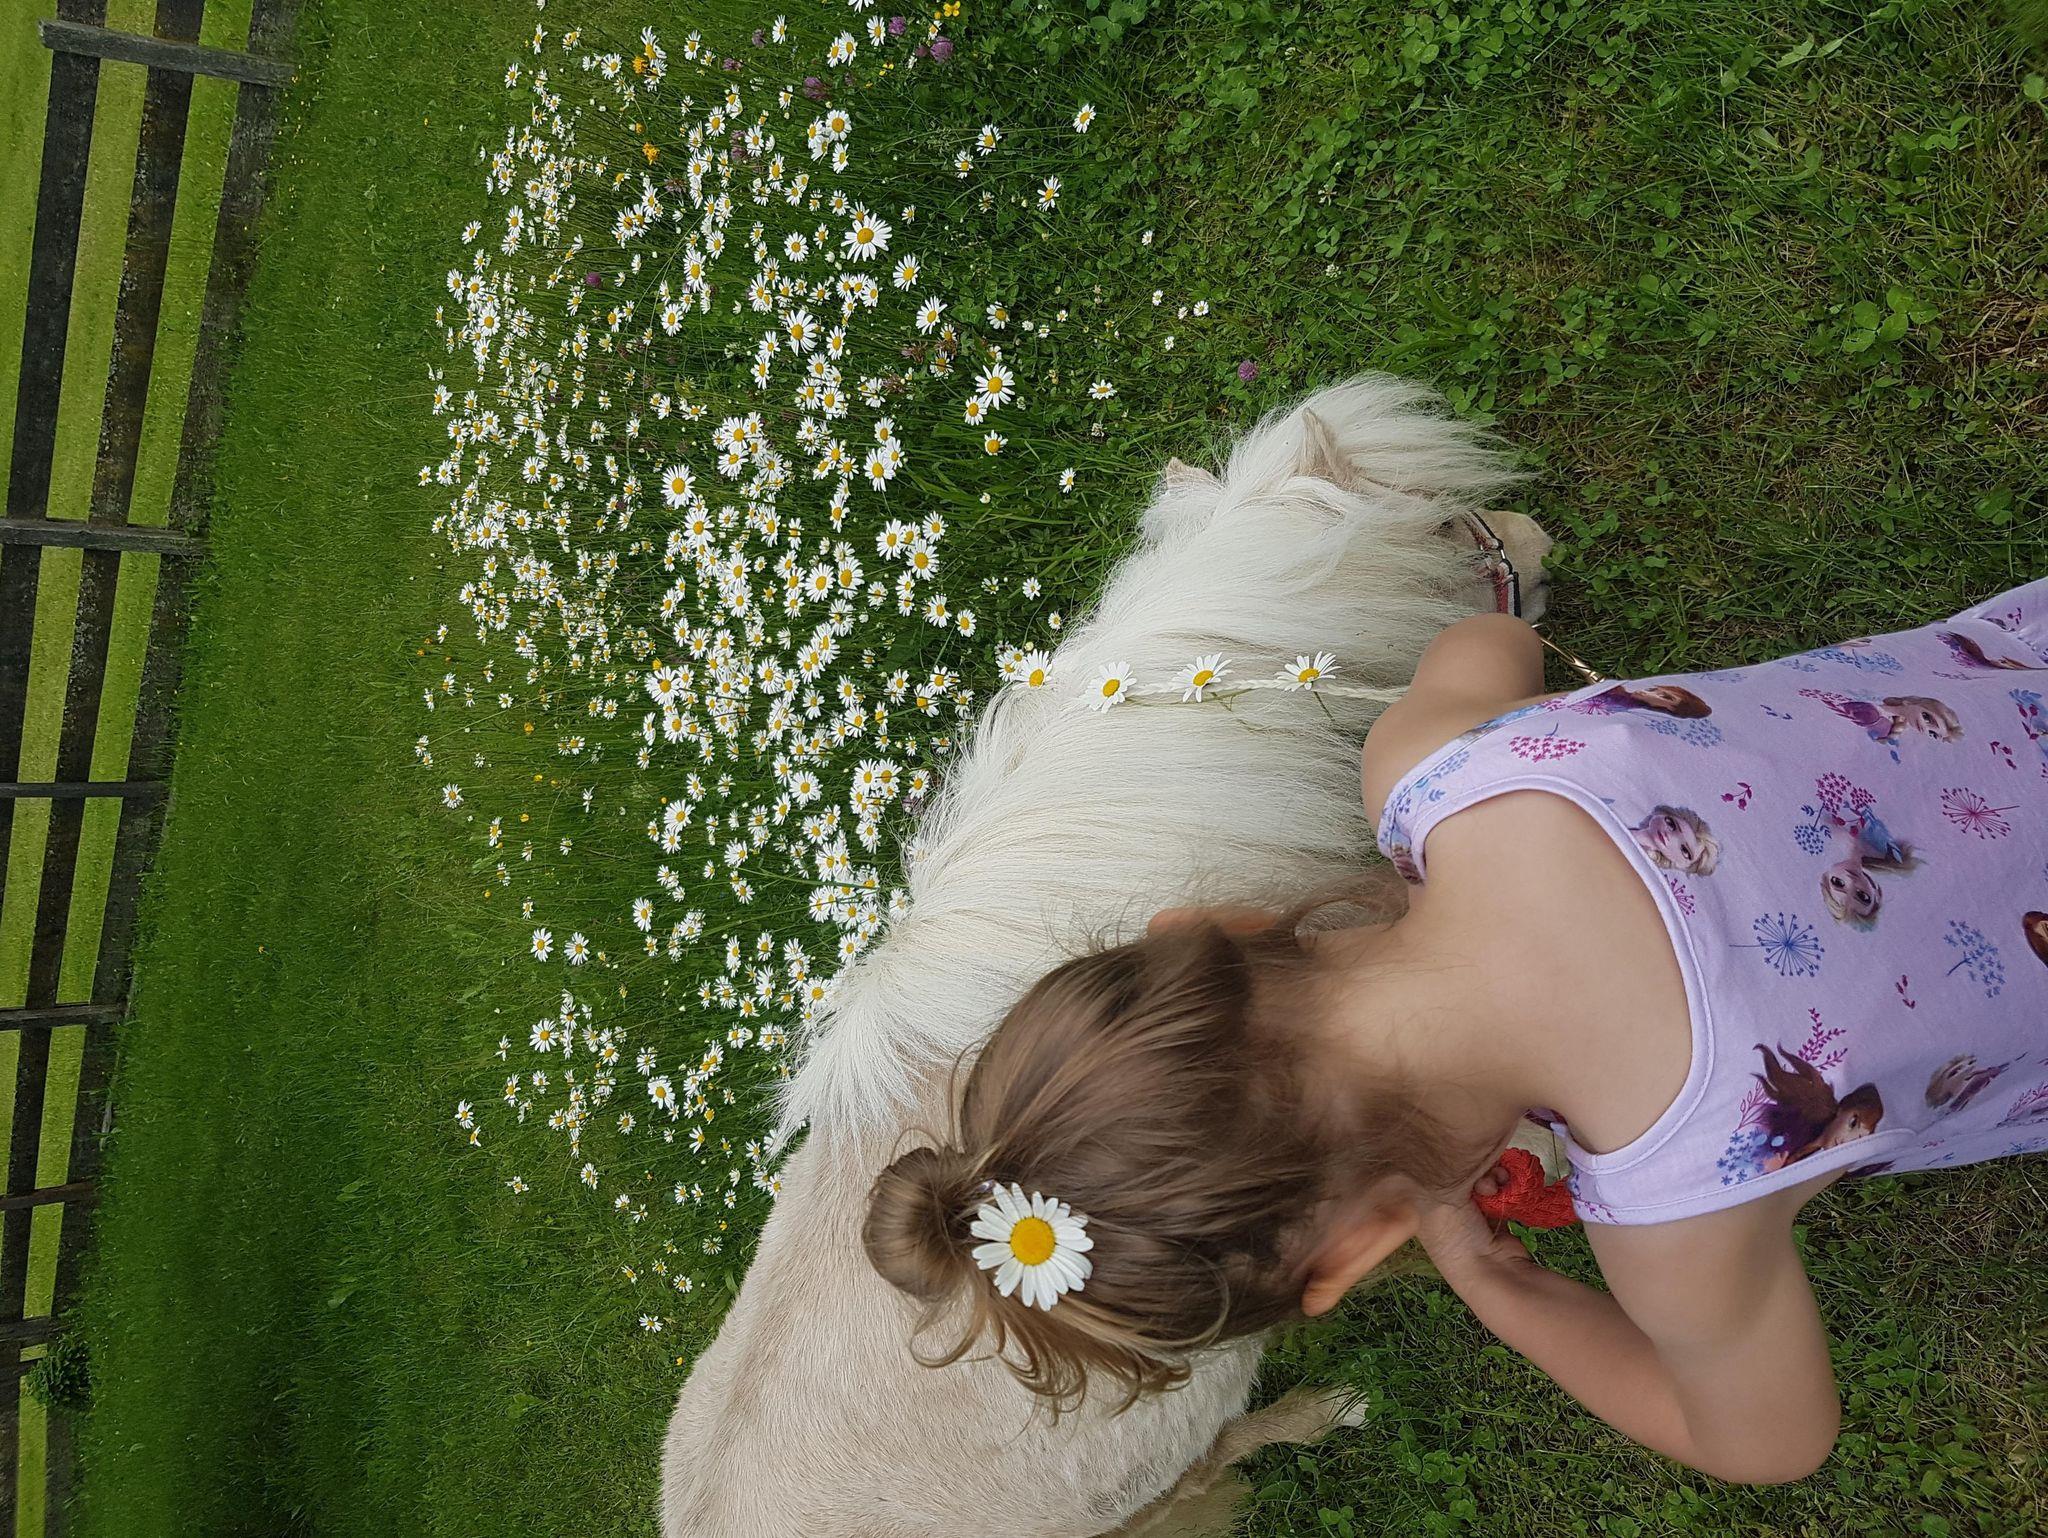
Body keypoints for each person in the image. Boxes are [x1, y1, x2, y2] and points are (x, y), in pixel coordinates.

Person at [861, 576, 2048, 1486]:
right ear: (1210, 925)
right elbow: (1489, 639)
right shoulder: (1437, 771)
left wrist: (1505, 1290)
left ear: (1357, 1252)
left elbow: (1767, 1439)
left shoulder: (1683, 1211)